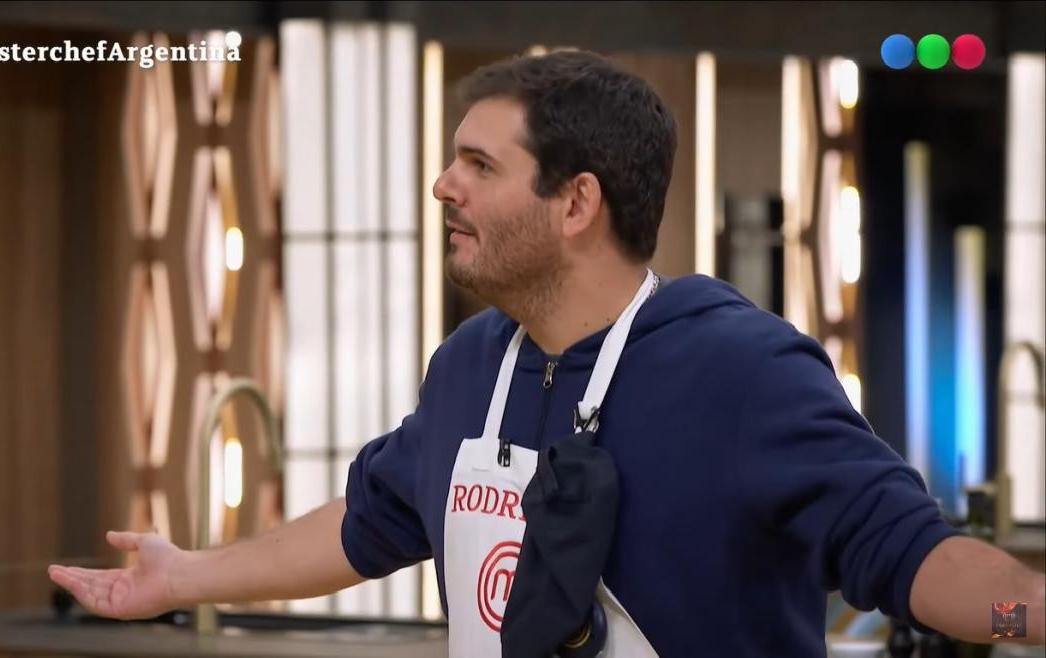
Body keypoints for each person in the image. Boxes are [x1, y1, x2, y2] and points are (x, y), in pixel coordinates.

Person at [50, 50, 1046, 656]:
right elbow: (367, 521)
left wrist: (1027, 613)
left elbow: (913, 556)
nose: (444, 185)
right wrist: (183, 578)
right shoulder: (471, 368)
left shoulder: (745, 372)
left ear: (575, 204)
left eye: (479, 165)